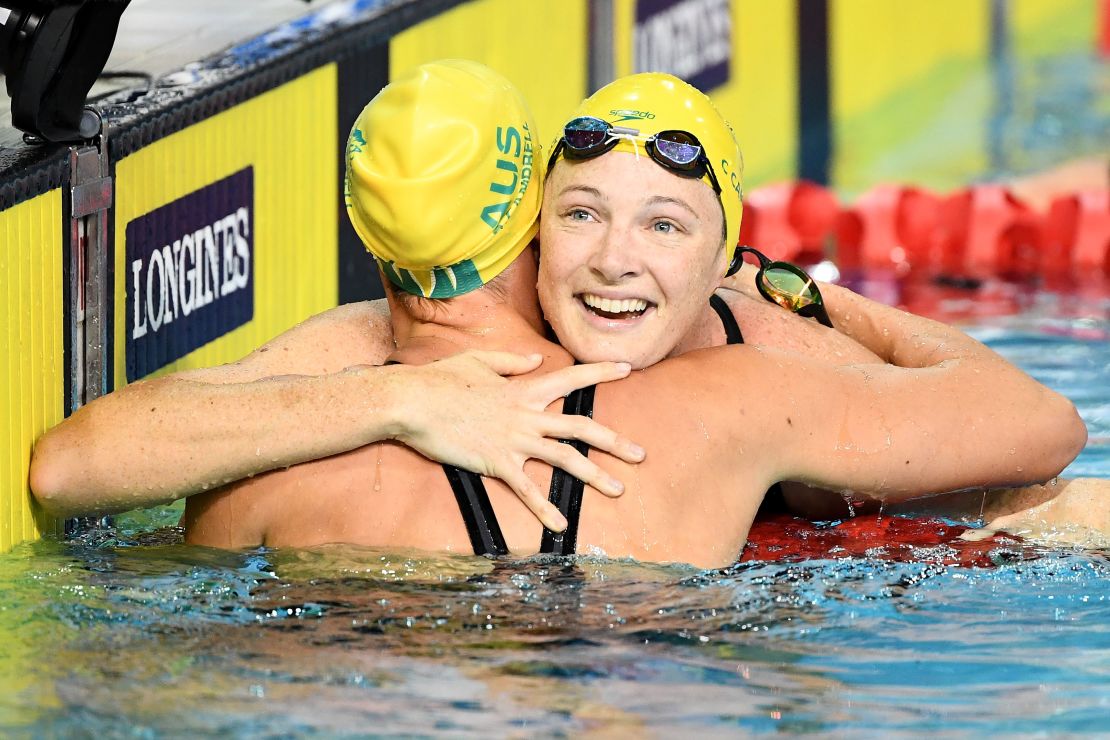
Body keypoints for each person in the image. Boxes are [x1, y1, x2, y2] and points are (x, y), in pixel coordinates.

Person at [28, 62, 1094, 554]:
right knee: (1056, 521)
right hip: (650, 657)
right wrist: (818, 300)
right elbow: (1042, 426)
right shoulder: (730, 394)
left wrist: (388, 403)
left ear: (364, 232)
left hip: (350, 671)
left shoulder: (284, 428)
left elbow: (69, 467)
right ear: (529, 223)